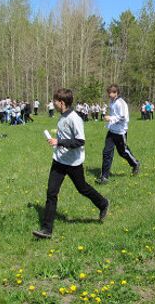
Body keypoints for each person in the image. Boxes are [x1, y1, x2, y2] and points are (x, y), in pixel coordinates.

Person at [32, 88, 109, 239]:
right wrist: (57, 142)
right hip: (59, 160)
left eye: (55, 101)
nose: (53, 103)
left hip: (73, 162)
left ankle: (103, 203)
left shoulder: (75, 118)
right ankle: (46, 229)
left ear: (62, 102)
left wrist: (59, 141)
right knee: (51, 193)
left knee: (82, 188)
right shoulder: (62, 117)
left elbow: (80, 141)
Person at [97, 84, 141, 184]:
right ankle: (104, 177)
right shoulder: (112, 101)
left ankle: (135, 164)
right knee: (106, 152)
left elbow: (123, 117)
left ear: (116, 93)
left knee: (123, 152)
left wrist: (110, 118)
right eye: (108, 93)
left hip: (120, 132)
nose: (109, 94)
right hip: (111, 131)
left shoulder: (121, 103)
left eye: (111, 93)